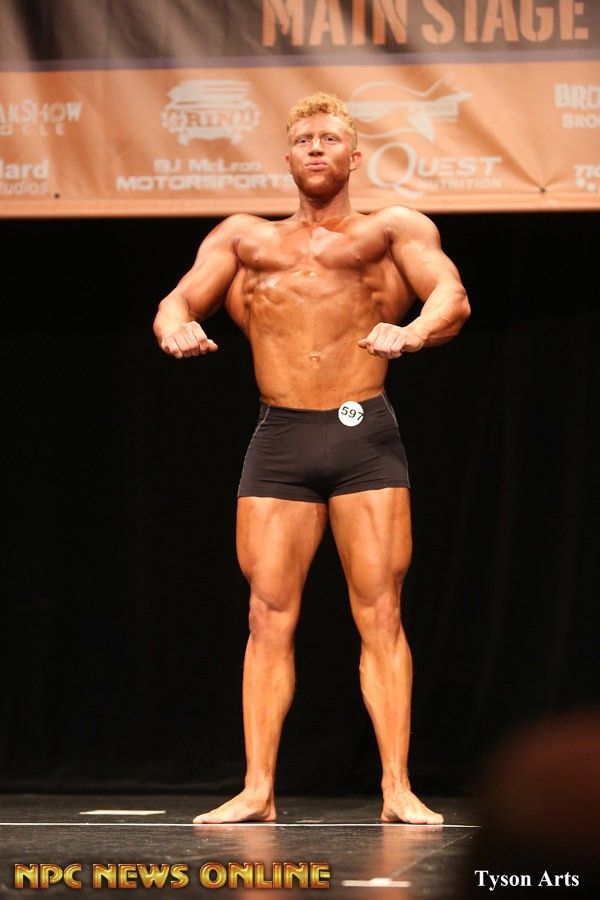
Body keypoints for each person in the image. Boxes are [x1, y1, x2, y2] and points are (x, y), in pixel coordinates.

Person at [153, 92, 470, 825]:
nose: (317, 149)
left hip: (363, 432)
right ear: (288, 157)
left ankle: (397, 788)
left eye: (330, 139)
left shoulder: (393, 229)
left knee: (381, 612)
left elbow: (451, 296)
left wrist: (412, 333)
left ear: (355, 157)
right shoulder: (244, 238)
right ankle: (258, 790)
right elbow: (176, 302)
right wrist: (175, 329)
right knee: (267, 616)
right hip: (282, 438)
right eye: (304, 140)